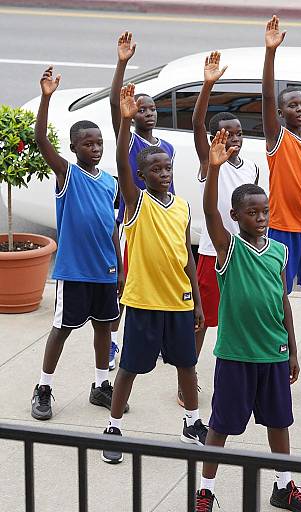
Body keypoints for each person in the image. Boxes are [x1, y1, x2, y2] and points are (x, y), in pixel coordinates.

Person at [195, 129, 301, 512]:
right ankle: (205, 491)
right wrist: (213, 170)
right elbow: (210, 211)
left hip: (274, 353)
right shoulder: (229, 247)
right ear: (236, 217)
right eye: (252, 212)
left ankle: (284, 486)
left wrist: (293, 351)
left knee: (279, 422)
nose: (261, 217)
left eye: (265, 211)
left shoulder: (279, 251)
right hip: (235, 354)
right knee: (221, 426)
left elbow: (283, 302)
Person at [101, 84, 207, 464]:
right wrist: (125, 122)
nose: (164, 173)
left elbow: (187, 257)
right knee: (130, 368)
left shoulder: (181, 207)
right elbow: (121, 159)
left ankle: (192, 423)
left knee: (187, 366)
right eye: (156, 169)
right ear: (141, 175)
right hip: (144, 301)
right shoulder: (135, 201)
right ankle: (113, 427)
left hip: (178, 301)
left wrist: (195, 299)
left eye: (168, 168)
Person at [31, 66, 124, 421]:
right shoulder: (67, 173)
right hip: (74, 271)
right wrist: (47, 97)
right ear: (73, 148)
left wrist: (118, 267)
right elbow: (41, 140)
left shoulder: (111, 182)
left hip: (105, 270)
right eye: (88, 144)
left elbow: (111, 227)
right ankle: (43, 387)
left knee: (104, 328)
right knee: (63, 329)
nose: (95, 148)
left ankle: (101, 385)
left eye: (99, 143)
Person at [186, 50, 259, 407]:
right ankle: (189, 376)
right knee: (203, 320)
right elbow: (198, 123)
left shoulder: (251, 168)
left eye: (238, 133)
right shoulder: (208, 161)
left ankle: (235, 377)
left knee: (238, 319)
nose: (233, 138)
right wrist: (208, 85)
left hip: (243, 255)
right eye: (225, 133)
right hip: (213, 254)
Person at [108, 32, 176, 371]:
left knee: (160, 278)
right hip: (133, 223)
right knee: (128, 282)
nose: (147, 113)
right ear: (133, 114)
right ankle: (111, 340)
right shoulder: (130, 142)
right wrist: (122, 63)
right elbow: (114, 106)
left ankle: (160, 340)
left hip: (161, 224)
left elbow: (170, 187)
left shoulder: (166, 148)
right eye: (141, 108)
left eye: (152, 109)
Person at [262, 15, 301, 357]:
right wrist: (270, 53)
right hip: (283, 227)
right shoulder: (277, 138)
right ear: (281, 112)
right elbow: (267, 95)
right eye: (292, 105)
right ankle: (279, 333)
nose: (299, 109)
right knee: (279, 288)